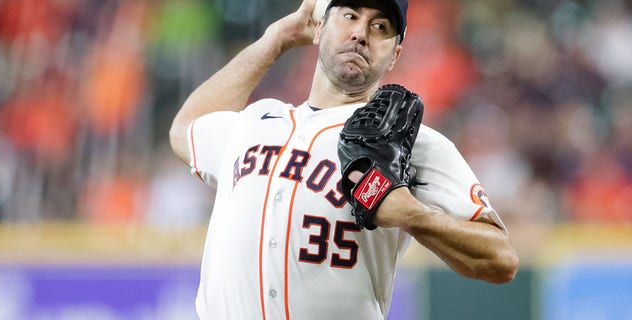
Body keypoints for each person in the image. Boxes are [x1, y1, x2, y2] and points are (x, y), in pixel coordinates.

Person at [169, 0, 519, 319]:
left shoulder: (407, 142)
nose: (360, 34)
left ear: (395, 55)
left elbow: (500, 260)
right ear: (319, 28)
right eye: (350, 15)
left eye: (380, 27)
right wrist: (274, 41)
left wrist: (413, 215)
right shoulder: (256, 121)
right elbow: (185, 129)